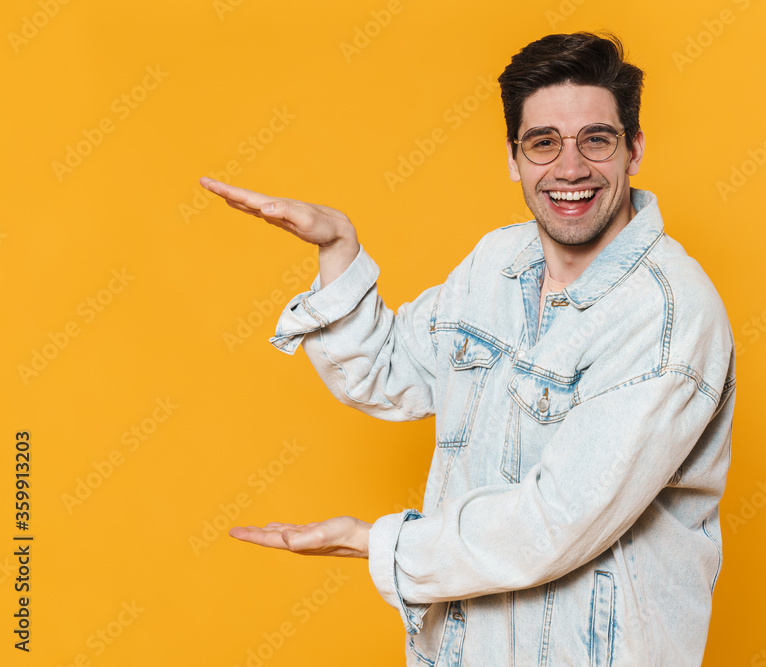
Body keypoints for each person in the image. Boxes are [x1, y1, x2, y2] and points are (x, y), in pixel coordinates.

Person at [201, 31, 736, 666]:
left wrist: (379, 544)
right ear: (514, 159)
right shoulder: (496, 263)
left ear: (634, 150)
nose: (570, 169)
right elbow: (390, 373)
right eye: (544, 143)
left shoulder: (667, 311)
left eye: (597, 139)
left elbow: (556, 522)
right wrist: (339, 249)